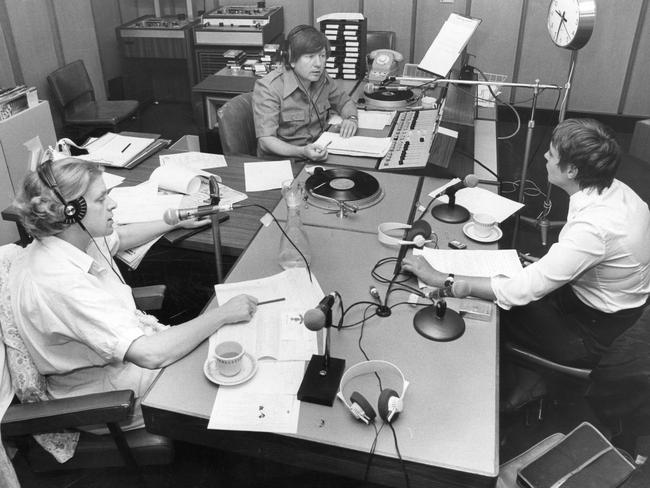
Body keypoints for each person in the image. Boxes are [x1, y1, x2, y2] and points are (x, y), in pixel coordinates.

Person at [402, 118, 650, 410]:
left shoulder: (594, 227)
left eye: (552, 154)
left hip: (585, 332)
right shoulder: (614, 190)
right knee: (501, 278)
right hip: (604, 310)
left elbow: (520, 291)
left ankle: (468, 402)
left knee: (483, 307)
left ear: (572, 170)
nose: (544, 157)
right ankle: (529, 379)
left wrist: (444, 278)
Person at [9, 157, 258, 430]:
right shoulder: (59, 283)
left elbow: (120, 239)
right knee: (240, 385)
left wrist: (176, 221)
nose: (112, 205)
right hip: (111, 397)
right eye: (102, 199)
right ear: (72, 211)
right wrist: (221, 314)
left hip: (130, 358)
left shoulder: (72, 237)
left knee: (239, 348)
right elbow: (150, 355)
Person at [253, 24, 358, 161]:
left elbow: (345, 102)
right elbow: (266, 141)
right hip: (284, 161)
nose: (318, 64)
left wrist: (351, 119)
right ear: (291, 59)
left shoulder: (323, 79)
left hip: (318, 154)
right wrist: (302, 151)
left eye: (322, 56)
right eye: (310, 57)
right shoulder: (269, 87)